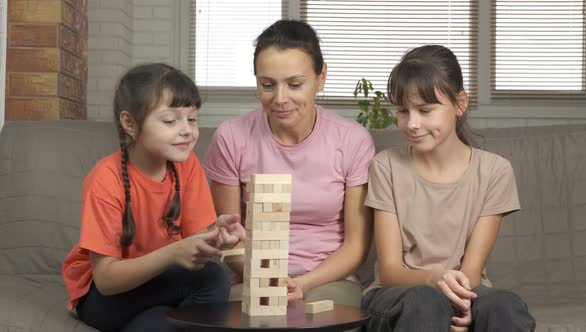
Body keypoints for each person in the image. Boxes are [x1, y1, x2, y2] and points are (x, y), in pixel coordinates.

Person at [361, 45, 536, 331]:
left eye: (425, 110)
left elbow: (472, 271)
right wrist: (434, 279)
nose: (412, 123)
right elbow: (391, 271)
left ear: (460, 103)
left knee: (504, 305)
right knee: (425, 302)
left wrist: (463, 306)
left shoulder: (495, 171)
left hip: (466, 289)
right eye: (403, 111)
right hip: (398, 295)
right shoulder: (386, 166)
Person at [203, 20, 375, 307]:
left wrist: (302, 284)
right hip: (251, 277)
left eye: (295, 84)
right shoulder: (231, 137)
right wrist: (268, 282)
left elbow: (356, 246)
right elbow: (231, 238)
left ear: (321, 78)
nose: (280, 99)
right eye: (267, 85)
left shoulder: (352, 140)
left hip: (327, 280)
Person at [62, 63, 245, 332]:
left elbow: (197, 238)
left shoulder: (187, 164)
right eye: (171, 120)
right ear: (130, 124)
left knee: (169, 312)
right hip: (103, 297)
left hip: (157, 287)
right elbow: (106, 280)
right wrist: (173, 254)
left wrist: (219, 238)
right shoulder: (105, 178)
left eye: (192, 119)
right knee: (211, 277)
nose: (187, 130)